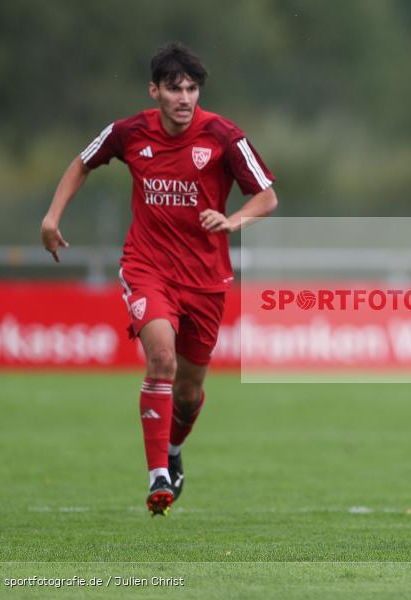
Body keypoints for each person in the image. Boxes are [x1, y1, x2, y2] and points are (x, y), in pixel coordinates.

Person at [40, 42, 278, 516]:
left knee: (188, 395)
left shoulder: (223, 136)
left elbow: (267, 197)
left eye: (192, 89)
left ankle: (171, 450)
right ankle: (157, 478)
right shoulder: (129, 132)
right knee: (161, 359)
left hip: (206, 279)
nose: (185, 97)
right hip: (148, 268)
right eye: (174, 89)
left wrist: (233, 222)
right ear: (155, 91)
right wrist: (52, 218)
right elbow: (82, 161)